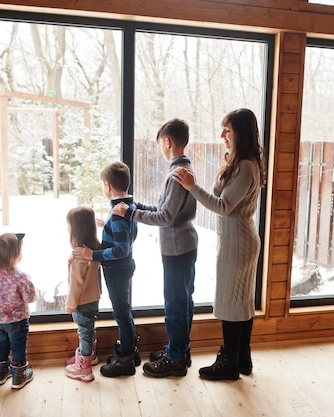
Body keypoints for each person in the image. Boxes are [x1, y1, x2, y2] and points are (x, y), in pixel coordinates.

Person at [173, 108, 266, 381]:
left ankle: (228, 362)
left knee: (230, 303)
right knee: (242, 302)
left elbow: (223, 206)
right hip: (238, 240)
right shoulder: (240, 163)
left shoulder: (247, 166)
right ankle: (242, 358)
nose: (222, 135)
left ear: (241, 133)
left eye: (227, 130)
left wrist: (192, 186)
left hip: (238, 243)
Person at [113, 118, 198, 378]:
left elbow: (165, 218)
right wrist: (138, 207)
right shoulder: (184, 169)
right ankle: (179, 350)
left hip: (177, 248)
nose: (161, 147)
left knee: (175, 305)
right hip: (184, 245)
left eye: (161, 142)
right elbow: (164, 210)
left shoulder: (176, 174)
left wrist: (130, 215)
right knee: (183, 302)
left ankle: (175, 359)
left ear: (167, 141)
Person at [72, 161, 139, 377]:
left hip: (117, 269)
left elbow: (121, 249)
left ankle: (126, 359)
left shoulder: (118, 214)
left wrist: (93, 254)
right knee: (125, 310)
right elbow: (127, 235)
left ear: (108, 186)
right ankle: (131, 351)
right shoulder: (127, 207)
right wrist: (107, 226)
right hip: (124, 268)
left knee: (121, 313)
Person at [0, 232, 38, 389]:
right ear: (16, 254)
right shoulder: (20, 276)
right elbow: (30, 297)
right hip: (17, 320)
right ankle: (19, 377)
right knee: (18, 348)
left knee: (2, 345)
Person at [63, 206, 102, 382]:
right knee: (89, 328)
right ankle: (89, 356)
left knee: (84, 331)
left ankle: (83, 367)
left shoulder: (80, 255)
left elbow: (76, 285)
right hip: (93, 298)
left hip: (83, 300)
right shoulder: (93, 249)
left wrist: (71, 304)